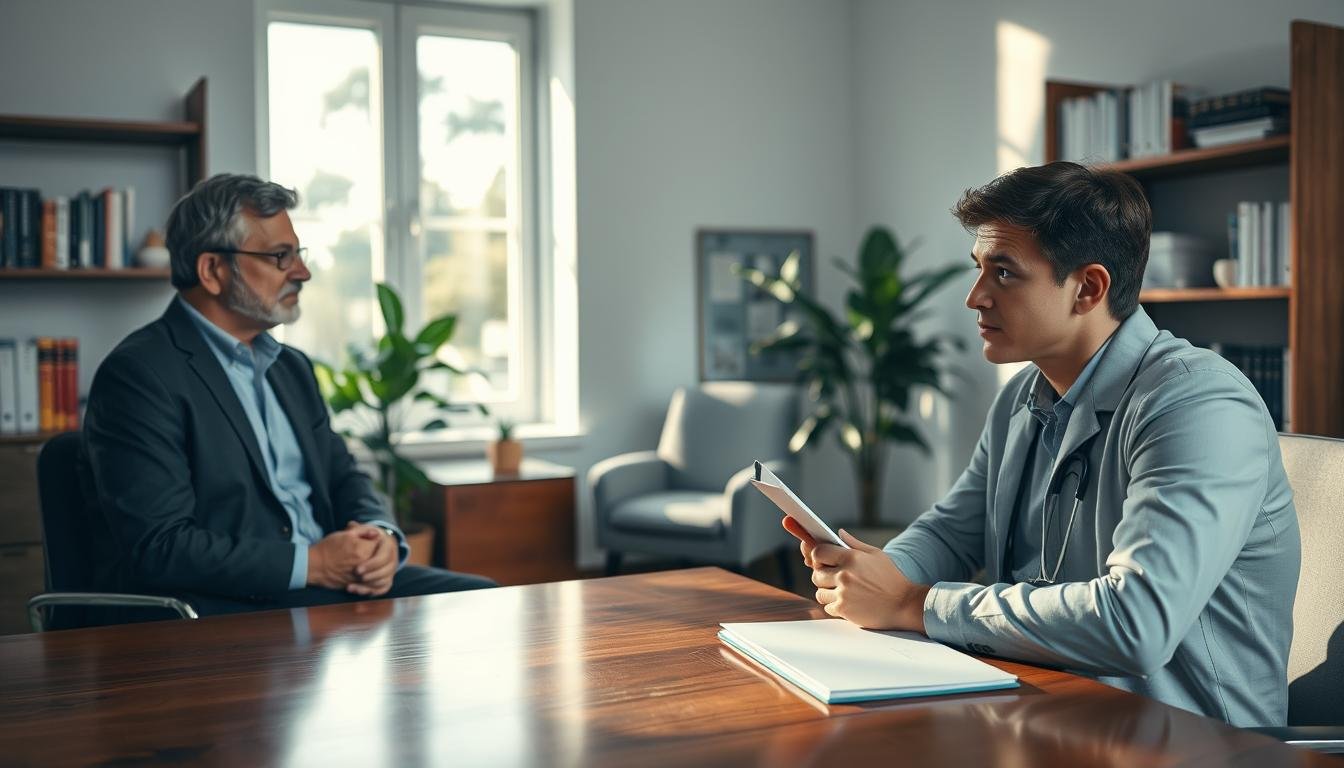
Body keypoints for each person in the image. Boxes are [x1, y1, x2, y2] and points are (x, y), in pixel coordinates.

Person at [784, 162, 1300, 727]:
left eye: (1003, 273)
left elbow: (1137, 622)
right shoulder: (1021, 399)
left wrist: (912, 604)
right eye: (978, 269)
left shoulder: (1198, 403)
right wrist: (872, 575)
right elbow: (951, 531)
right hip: (1045, 711)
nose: (974, 297)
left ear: (1089, 288)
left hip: (1190, 740)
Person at [81, 173, 495, 617]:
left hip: (331, 591)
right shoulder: (140, 375)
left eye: (298, 253)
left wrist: (381, 537)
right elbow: (162, 547)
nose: (303, 272)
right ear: (213, 271)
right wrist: (313, 564)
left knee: (489, 604)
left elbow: (343, 475)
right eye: (280, 256)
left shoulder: (292, 368)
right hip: (231, 608)